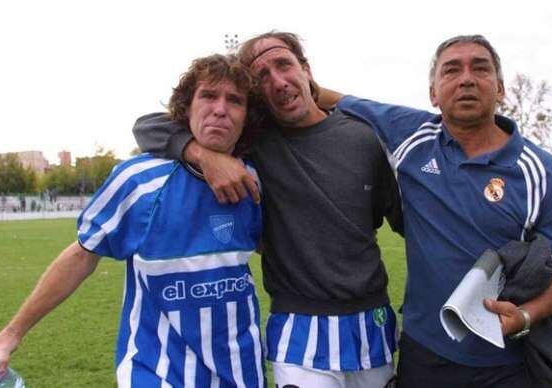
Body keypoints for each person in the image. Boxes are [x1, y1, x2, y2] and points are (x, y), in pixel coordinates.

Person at [134, 32, 402, 388]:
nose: (277, 81)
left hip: (373, 323)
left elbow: (402, 220)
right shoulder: (256, 141)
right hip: (298, 327)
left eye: (284, 65)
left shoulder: (364, 136)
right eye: (261, 76)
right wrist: (204, 155)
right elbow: (147, 126)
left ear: (306, 70)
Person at [0, 54, 265, 388]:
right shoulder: (137, 180)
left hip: (241, 370)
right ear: (186, 107)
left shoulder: (255, 182)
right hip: (157, 370)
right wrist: (11, 334)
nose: (220, 109)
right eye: (208, 96)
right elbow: (82, 255)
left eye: (235, 101)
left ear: (247, 117)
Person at [319, 34, 552, 387]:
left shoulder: (540, 169)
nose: (467, 78)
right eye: (452, 70)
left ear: (500, 88)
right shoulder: (413, 135)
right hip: (424, 355)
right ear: (433, 93)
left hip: (506, 364)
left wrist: (522, 316)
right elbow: (336, 99)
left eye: (481, 68)